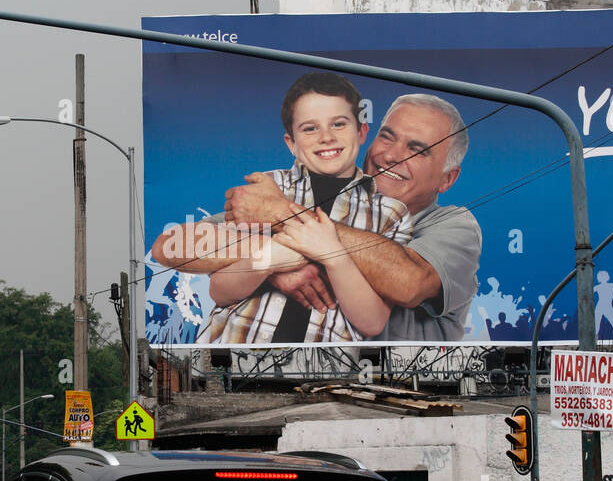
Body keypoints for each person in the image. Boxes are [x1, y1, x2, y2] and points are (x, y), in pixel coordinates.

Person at [151, 72, 413, 345]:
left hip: (323, 372)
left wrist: (332, 255)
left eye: (338, 124)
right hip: (233, 355)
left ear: (361, 132)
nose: (326, 137)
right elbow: (219, 292)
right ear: (291, 143)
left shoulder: (390, 214)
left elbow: (372, 322)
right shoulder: (264, 188)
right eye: (310, 128)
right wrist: (273, 259)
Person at [204, 92, 482, 342]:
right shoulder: (320, 198)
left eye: (417, 150)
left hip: (389, 390)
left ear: (447, 179)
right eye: (387, 136)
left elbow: (408, 283)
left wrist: (281, 215)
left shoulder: (454, 226)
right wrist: (272, 267)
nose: (391, 156)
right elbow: (183, 246)